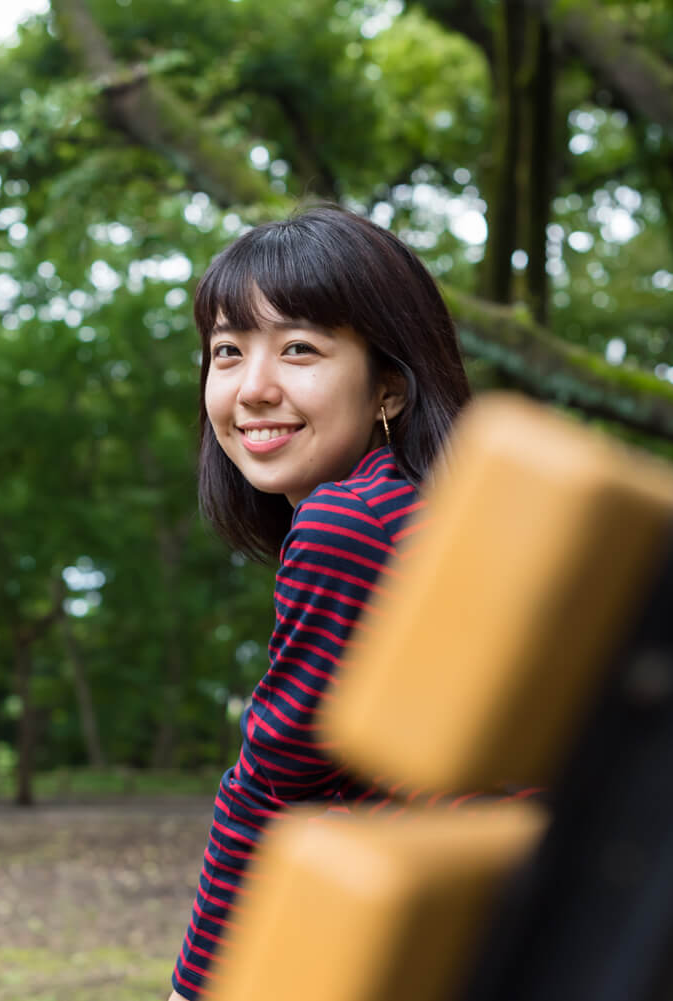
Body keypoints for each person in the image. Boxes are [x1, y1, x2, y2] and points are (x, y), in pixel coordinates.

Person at [169, 204, 472, 1000]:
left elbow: (271, 785)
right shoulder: (432, 520)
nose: (253, 388)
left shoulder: (352, 520)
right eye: (227, 352)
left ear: (389, 387)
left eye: (300, 348)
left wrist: (191, 992)